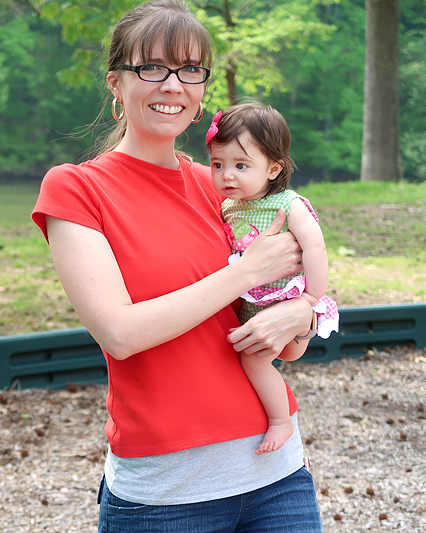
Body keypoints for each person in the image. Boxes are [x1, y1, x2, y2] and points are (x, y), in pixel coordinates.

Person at [30, 0, 324, 531]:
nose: (173, 85)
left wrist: (302, 312)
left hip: (277, 478)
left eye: (190, 69)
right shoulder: (77, 188)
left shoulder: (222, 187)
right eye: (152, 68)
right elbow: (119, 333)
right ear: (116, 83)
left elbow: (287, 317)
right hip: (166, 498)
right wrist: (244, 273)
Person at [206, 102, 340, 456]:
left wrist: (312, 298)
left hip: (285, 296)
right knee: (246, 353)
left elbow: (314, 246)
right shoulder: (228, 207)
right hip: (252, 303)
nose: (226, 176)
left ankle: (280, 421)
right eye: (217, 165)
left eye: (240, 165)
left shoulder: (286, 203)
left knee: (260, 359)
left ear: (273, 168)